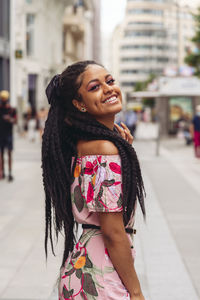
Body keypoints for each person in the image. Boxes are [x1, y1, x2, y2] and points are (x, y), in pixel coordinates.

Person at [42, 61, 146, 300]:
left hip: (87, 270)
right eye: (94, 87)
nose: (109, 89)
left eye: (110, 81)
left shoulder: (88, 145)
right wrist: (137, 293)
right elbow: (112, 232)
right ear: (79, 104)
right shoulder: (103, 149)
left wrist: (122, 154)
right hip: (101, 279)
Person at [0, 90, 17, 181]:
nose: (3, 100)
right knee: (1, 154)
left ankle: (9, 173)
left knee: (9, 154)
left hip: (8, 135)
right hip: (1, 135)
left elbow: (15, 121)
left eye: (4, 99)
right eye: (2, 99)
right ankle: (3, 173)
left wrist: (9, 119)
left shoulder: (12, 109)